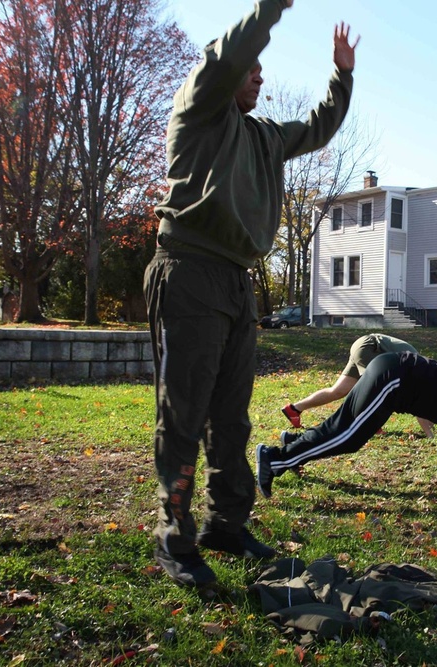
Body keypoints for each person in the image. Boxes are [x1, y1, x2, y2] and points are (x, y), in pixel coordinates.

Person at [142, 0, 358, 589]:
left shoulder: (263, 137)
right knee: (184, 412)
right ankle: (174, 536)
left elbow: (318, 127)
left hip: (237, 282)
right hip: (189, 269)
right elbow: (232, 53)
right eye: (253, 69)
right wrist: (270, 8)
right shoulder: (200, 108)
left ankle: (225, 524)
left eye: (263, 70)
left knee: (231, 417)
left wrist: (341, 76)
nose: (259, 75)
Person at [257, 352, 437, 516]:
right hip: (392, 378)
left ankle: (293, 443)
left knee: (344, 431)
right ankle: (275, 460)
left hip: (389, 372)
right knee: (348, 436)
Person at [282, 333, 434, 437]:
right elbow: (417, 404)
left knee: (338, 391)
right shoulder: (418, 367)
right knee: (376, 387)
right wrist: (431, 435)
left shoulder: (418, 364)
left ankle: (294, 409)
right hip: (370, 347)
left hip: (364, 346)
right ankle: (370, 425)